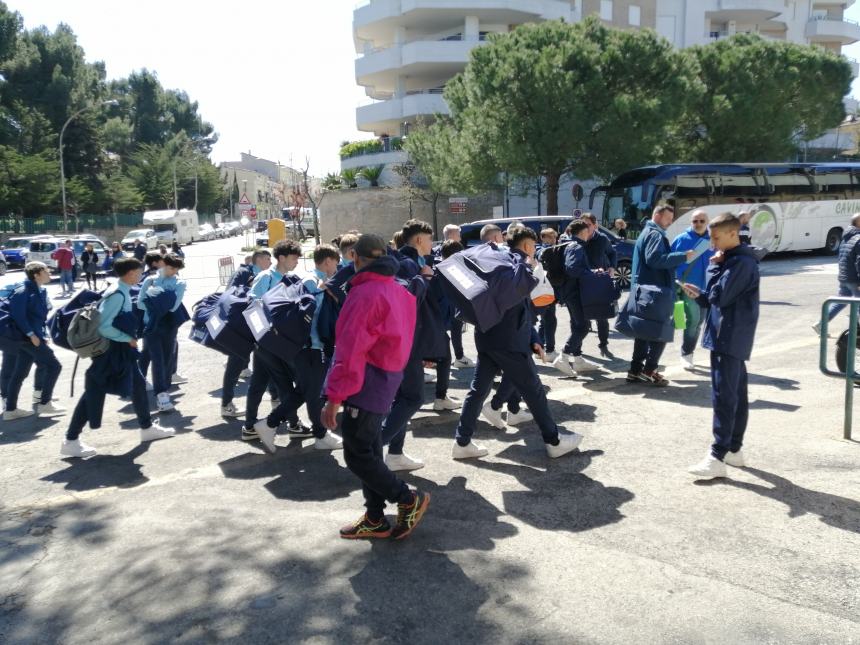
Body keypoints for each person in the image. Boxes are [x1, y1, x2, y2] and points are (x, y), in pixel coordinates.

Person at [321, 233, 430, 540]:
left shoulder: (364, 293)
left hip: (365, 380)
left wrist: (334, 398)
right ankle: (374, 516)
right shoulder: (396, 288)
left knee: (358, 455)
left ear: (355, 256)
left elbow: (350, 349)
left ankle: (407, 498)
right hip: (385, 377)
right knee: (368, 450)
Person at [452, 225, 584, 460]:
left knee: (478, 390)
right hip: (510, 341)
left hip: (487, 336)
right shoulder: (518, 267)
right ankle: (553, 440)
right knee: (533, 390)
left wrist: (533, 338)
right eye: (533, 246)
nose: (535, 251)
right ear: (526, 246)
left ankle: (462, 442)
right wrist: (530, 338)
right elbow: (522, 309)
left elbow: (516, 307)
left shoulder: (498, 263)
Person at [61, 257, 174, 458]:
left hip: (119, 352)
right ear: (130, 273)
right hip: (112, 353)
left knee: (138, 386)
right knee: (93, 394)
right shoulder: (117, 295)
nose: (140, 275)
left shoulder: (119, 289)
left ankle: (147, 428)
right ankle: (70, 440)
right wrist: (127, 339)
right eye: (139, 272)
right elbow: (104, 326)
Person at [682, 213, 760, 479]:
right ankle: (734, 450)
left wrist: (713, 268)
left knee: (724, 397)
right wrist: (701, 295)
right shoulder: (736, 260)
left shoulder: (738, 262)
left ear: (731, 234)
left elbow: (721, 296)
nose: (712, 243)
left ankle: (718, 455)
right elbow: (717, 298)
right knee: (735, 393)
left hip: (729, 335)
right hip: (731, 334)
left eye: (716, 238)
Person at [380, 219, 443, 472]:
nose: (432, 244)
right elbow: (406, 302)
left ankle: (395, 454)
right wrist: (425, 279)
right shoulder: (407, 264)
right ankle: (374, 447)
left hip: (410, 342)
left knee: (402, 399)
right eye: (429, 239)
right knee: (414, 398)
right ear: (418, 240)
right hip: (406, 342)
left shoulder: (412, 263)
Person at [244, 240, 309, 446]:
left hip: (276, 341)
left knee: (259, 383)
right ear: (281, 258)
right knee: (284, 384)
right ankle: (293, 424)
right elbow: (251, 302)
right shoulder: (267, 277)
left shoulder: (290, 278)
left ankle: (250, 426)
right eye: (293, 258)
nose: (297, 262)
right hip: (268, 341)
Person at [624, 205, 694, 386]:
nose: (670, 222)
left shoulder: (647, 232)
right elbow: (654, 259)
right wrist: (682, 256)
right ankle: (649, 370)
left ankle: (635, 370)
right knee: (661, 330)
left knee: (644, 332)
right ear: (657, 215)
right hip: (656, 293)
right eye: (667, 218)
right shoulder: (655, 234)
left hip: (646, 291)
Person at [3, 262, 64, 420]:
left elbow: (38, 317)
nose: (49, 272)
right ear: (36, 274)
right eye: (46, 270)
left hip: (31, 337)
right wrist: (32, 335)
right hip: (26, 338)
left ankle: (11, 410)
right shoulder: (23, 291)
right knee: (54, 365)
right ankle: (45, 403)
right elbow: (18, 316)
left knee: (20, 373)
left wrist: (41, 334)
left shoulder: (38, 290)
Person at [220, 250, 273, 418]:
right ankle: (226, 404)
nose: (270, 262)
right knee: (235, 365)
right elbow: (231, 293)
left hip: (258, 325)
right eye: (267, 259)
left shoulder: (267, 275)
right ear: (258, 260)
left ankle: (278, 400)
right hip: (242, 326)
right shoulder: (244, 272)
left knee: (270, 362)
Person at [553, 220, 604, 376]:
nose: (590, 233)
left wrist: (592, 270)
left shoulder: (568, 244)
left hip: (569, 292)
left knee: (578, 325)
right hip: (575, 293)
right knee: (582, 326)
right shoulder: (576, 246)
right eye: (588, 230)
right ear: (583, 232)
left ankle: (578, 360)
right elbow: (573, 268)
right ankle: (563, 356)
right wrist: (593, 273)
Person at [138, 253, 187, 412]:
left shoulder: (180, 283)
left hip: (169, 324)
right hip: (151, 324)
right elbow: (140, 303)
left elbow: (174, 307)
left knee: (167, 358)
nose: (173, 271)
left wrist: (154, 301)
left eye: (176, 269)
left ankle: (164, 389)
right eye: (171, 267)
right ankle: (161, 395)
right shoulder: (149, 280)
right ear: (164, 264)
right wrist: (160, 302)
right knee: (157, 358)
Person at [671, 210, 714, 369]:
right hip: (685, 288)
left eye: (702, 221)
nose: (698, 224)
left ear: (707, 222)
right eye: (695, 221)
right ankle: (683, 354)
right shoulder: (681, 239)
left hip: (704, 290)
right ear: (691, 222)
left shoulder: (713, 240)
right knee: (683, 321)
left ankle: (687, 353)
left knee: (697, 322)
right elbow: (670, 262)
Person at [433, 239, 467, 409]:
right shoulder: (445, 272)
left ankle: (440, 397)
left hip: (433, 324)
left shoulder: (438, 269)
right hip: (433, 324)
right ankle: (440, 398)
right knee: (444, 358)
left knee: (443, 358)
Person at [816, 212, 860, 334]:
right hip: (854, 278)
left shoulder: (846, 237)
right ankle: (855, 334)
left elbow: (841, 257)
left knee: (841, 301)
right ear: (858, 223)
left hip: (844, 276)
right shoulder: (858, 238)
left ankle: (821, 324)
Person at [583, 213, 618, 358]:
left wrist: (612, 268)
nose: (585, 228)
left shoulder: (602, 239)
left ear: (595, 225)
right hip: (583, 282)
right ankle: (577, 350)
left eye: (588, 225)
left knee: (601, 316)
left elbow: (612, 253)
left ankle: (603, 344)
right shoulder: (578, 239)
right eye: (583, 225)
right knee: (581, 318)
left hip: (600, 282)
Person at [535, 228, 560, 360]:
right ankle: (550, 350)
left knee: (545, 321)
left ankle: (539, 349)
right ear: (544, 237)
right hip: (547, 290)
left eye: (554, 237)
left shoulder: (539, 250)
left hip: (542, 290)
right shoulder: (546, 251)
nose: (553, 239)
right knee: (550, 321)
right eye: (551, 237)